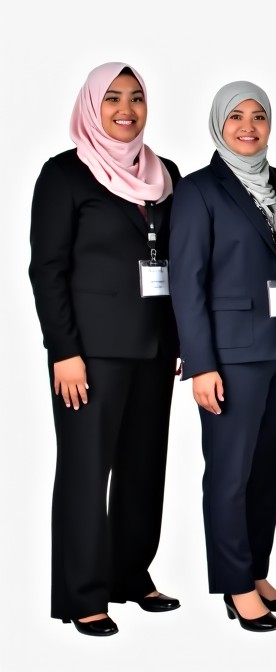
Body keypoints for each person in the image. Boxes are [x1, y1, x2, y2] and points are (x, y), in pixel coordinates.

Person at [28, 62, 181, 637]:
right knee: (86, 472)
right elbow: (47, 270)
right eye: (113, 98)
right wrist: (62, 350)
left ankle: (130, 575)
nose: (126, 109)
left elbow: (182, 263)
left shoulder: (167, 177)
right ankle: (83, 594)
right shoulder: (64, 175)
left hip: (156, 349)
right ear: (92, 106)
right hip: (89, 356)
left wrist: (184, 340)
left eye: (136, 98)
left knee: (144, 469)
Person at [168, 81, 276, 632]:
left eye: (259, 116)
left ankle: (256, 569)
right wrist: (201, 362)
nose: (249, 127)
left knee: (270, 470)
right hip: (231, 355)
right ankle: (234, 585)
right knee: (229, 474)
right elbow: (186, 285)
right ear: (218, 124)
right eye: (236, 117)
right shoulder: (198, 190)